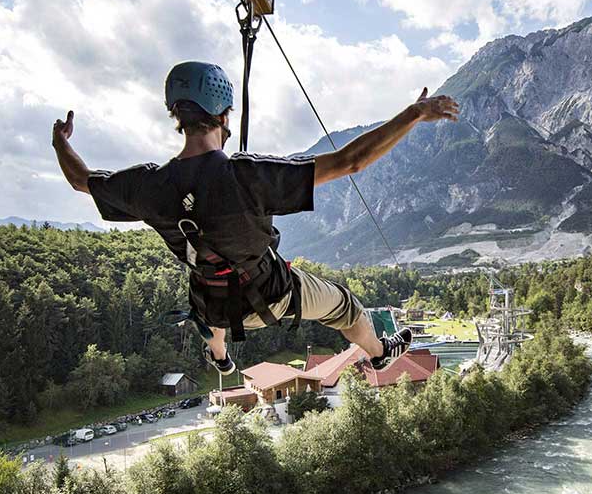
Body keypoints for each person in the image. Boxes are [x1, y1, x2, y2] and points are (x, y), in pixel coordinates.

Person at [51, 61, 459, 376]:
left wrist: (60, 141)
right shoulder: (247, 176)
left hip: (210, 301)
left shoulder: (148, 186)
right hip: (272, 295)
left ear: (177, 116)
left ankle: (220, 356)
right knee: (346, 306)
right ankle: (381, 352)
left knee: (207, 279)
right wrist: (413, 114)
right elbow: (350, 161)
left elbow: (80, 180)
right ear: (223, 117)